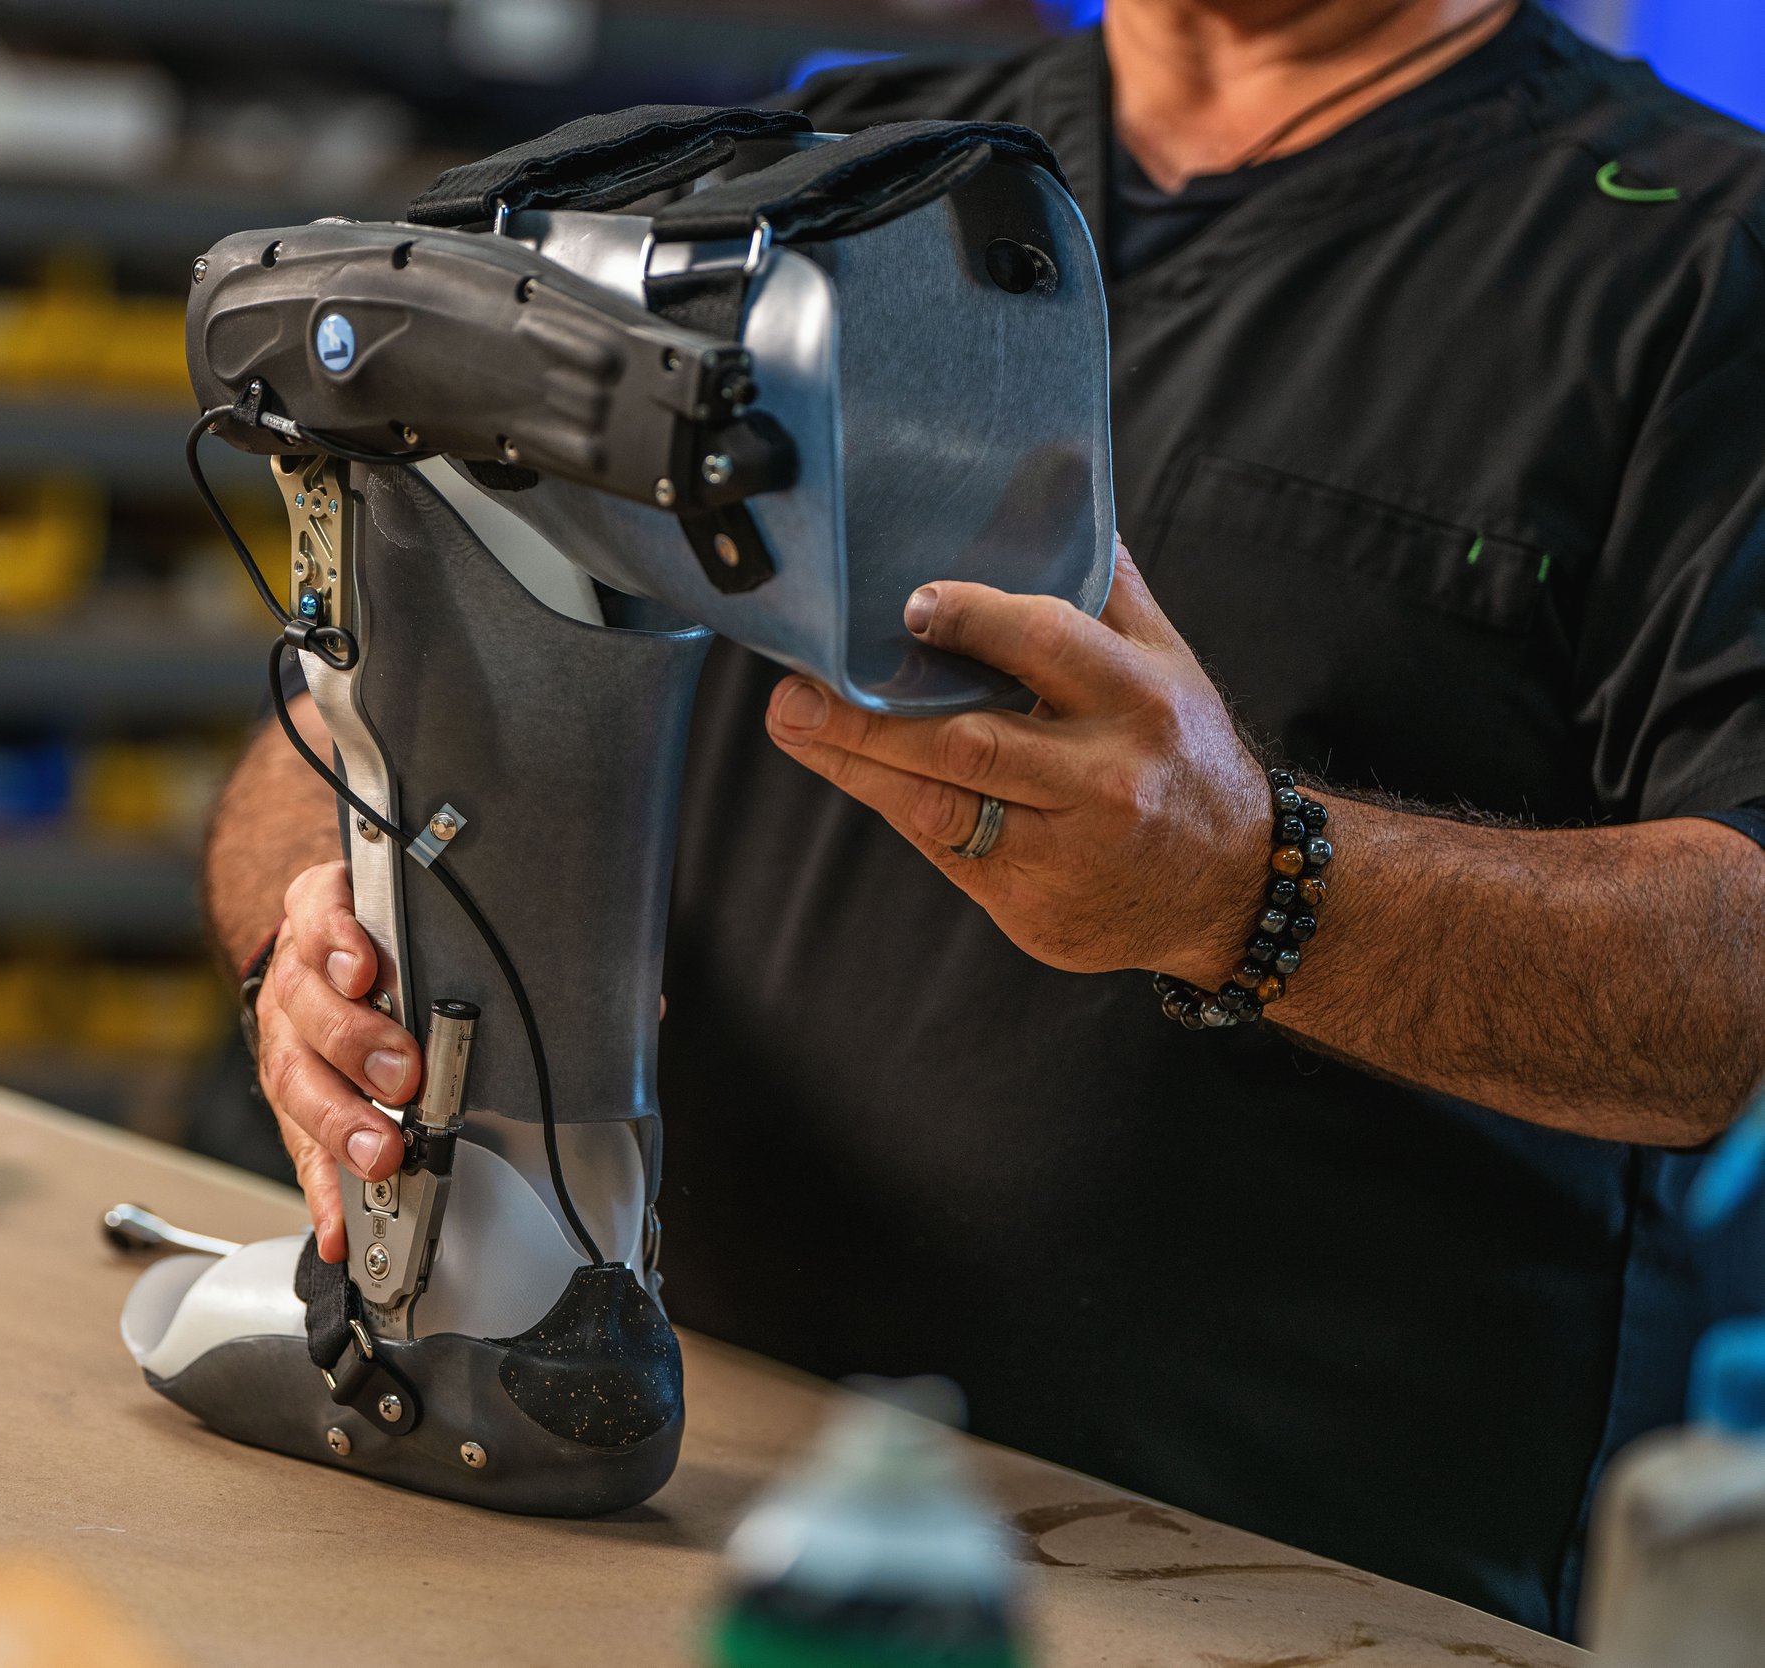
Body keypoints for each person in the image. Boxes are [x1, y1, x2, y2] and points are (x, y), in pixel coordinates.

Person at [198, 0, 1765, 1634]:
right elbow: (343, 708)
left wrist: (1255, 884)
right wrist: (330, 928)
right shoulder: (822, 164)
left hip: (1266, 1589)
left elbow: (1734, 986)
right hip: (644, 1507)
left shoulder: (1701, 260)